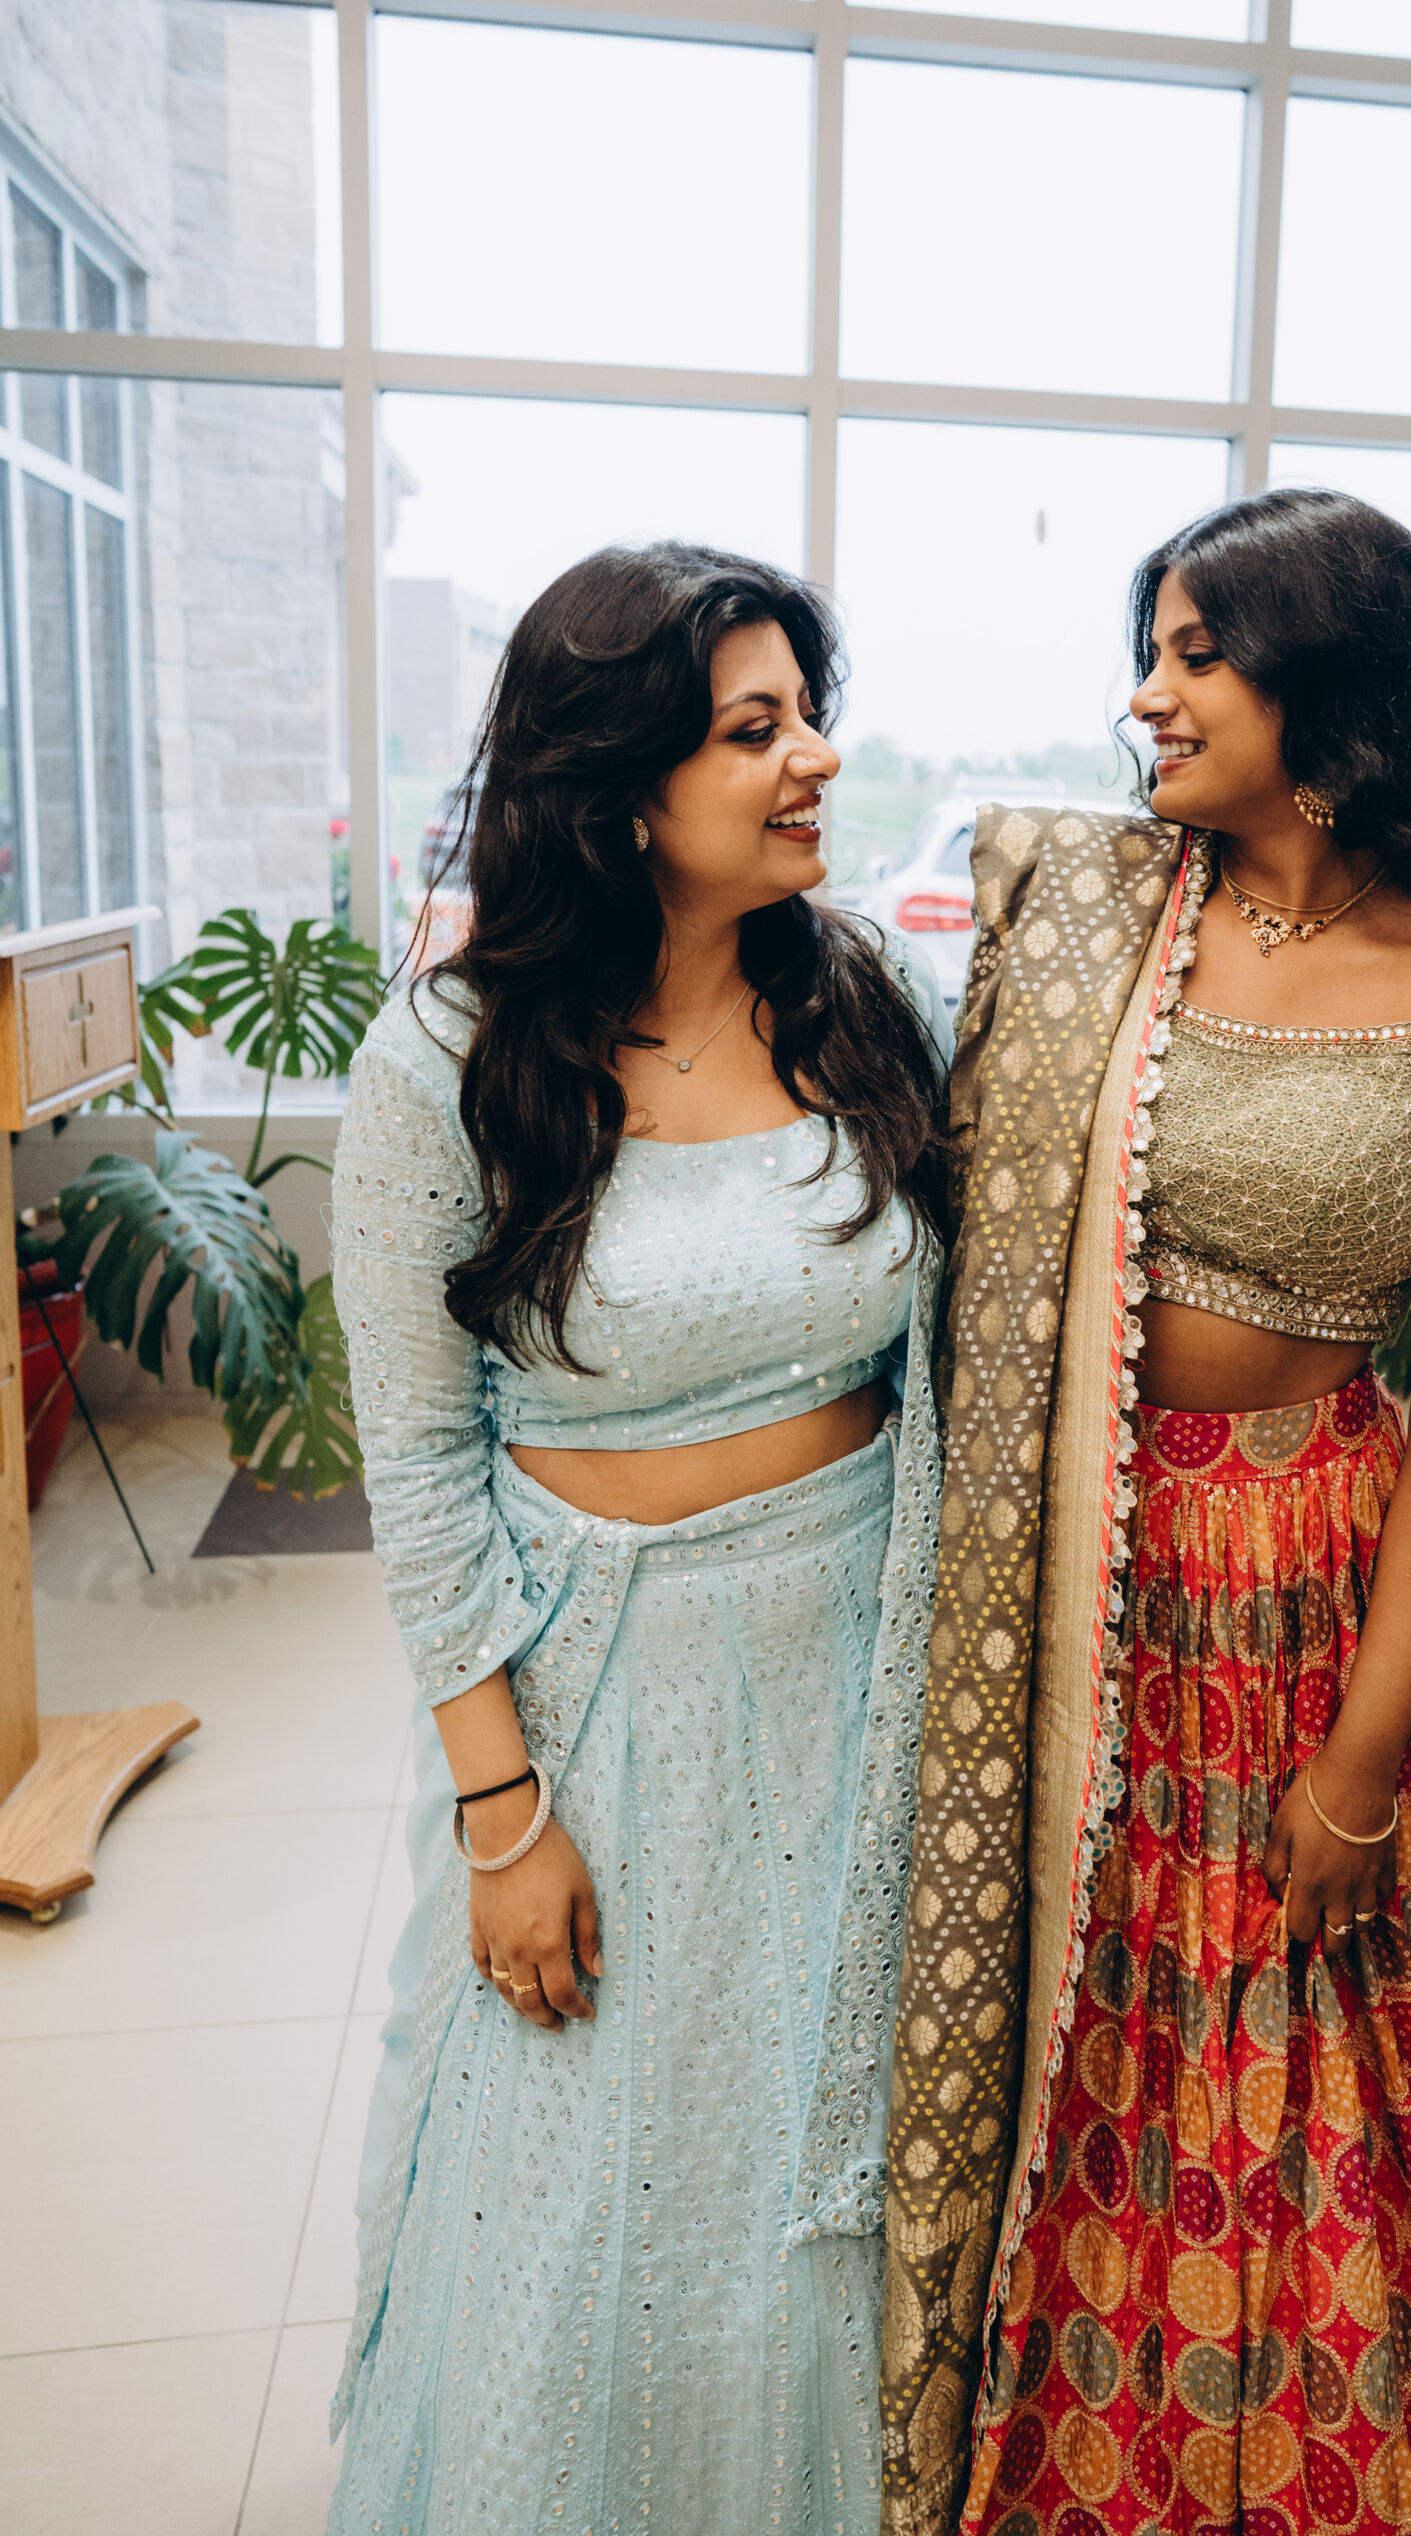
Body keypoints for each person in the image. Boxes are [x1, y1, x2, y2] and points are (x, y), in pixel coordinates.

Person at [880, 487, 1411, 2536]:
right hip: (1072, 1564)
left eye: (1197, 655)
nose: (1148, 696)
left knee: (1310, 2067)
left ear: (1331, 683)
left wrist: (1363, 1763)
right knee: (1087, 2046)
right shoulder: (1101, 921)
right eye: (1151, 650)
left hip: (1306, 1594)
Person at [326, 542, 951, 2535]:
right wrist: (501, 1819)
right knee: (577, 2184)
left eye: (809, 715)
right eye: (755, 730)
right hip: (599, 1698)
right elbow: (421, 1468)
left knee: (814, 2172)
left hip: (854, 1668)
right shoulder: (450, 1063)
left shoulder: (872, 1006)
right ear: (615, 789)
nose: (815, 760)